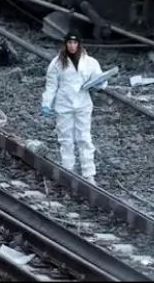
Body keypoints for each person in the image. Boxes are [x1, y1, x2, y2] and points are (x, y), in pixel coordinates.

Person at [40, 33, 106, 185]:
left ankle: (88, 174)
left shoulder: (90, 62)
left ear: (79, 44)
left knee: (84, 138)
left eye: (74, 43)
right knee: (66, 139)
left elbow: (101, 80)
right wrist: (46, 103)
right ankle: (68, 171)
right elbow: (51, 86)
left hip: (83, 103)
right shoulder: (57, 63)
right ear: (65, 44)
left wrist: (99, 84)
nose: (71, 46)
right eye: (69, 42)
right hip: (64, 105)